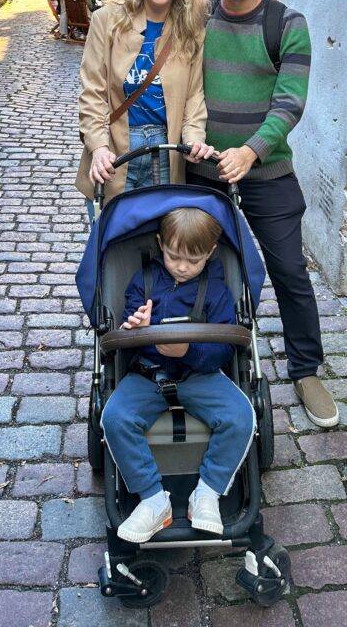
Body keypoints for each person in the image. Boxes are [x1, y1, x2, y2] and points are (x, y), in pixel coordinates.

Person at [187, 0, 339, 429]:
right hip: (203, 172)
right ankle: (203, 359)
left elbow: (290, 103)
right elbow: (181, 87)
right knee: (198, 265)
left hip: (267, 172)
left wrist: (251, 152)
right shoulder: (198, 18)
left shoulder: (286, 24)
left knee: (290, 272)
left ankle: (306, 370)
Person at [101, 208, 255, 543]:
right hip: (148, 373)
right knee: (115, 417)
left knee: (241, 415)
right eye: (173, 257)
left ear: (210, 253)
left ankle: (208, 492)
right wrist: (136, 327)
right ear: (161, 245)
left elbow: (224, 349)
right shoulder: (142, 281)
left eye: (193, 260)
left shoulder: (217, 293)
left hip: (200, 373)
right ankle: (153, 499)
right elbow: (127, 323)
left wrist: (188, 351)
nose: (182, 267)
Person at [76, 0, 215, 201]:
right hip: (117, 149)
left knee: (163, 237)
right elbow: (92, 91)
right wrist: (99, 147)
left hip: (168, 149)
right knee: (116, 236)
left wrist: (194, 138)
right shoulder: (108, 20)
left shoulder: (191, 29)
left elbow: (194, 95)